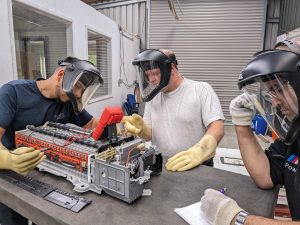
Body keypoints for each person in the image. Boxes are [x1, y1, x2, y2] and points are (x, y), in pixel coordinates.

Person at [200, 38, 300, 224]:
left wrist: (237, 219)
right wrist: (241, 123)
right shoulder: (294, 135)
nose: (276, 102)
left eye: (279, 89)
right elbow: (265, 175)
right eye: (271, 92)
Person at [0, 56, 103, 225]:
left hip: (47, 173)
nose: (77, 94)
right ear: (61, 74)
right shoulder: (13, 92)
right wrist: (8, 159)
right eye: (77, 86)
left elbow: (92, 124)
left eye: (82, 90)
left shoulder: (67, 103)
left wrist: (120, 121)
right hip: (11, 175)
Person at [121, 49, 224, 171]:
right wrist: (142, 130)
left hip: (196, 164)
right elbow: (150, 135)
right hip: (164, 164)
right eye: (148, 75)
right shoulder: (153, 96)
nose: (151, 80)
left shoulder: (201, 90)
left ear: (172, 68)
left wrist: (200, 151)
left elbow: (217, 127)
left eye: (155, 73)